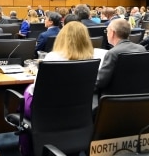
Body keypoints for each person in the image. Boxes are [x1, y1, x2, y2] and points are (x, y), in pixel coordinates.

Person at [20, 21, 94, 156]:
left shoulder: (52, 57)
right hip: (76, 114)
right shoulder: (92, 58)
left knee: (27, 91)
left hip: (46, 112)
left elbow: (38, 89)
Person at [96, 19, 146, 92]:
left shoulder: (113, 53)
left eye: (107, 31)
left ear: (112, 33)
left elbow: (100, 82)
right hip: (138, 94)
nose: (106, 34)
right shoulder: (142, 49)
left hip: (114, 97)